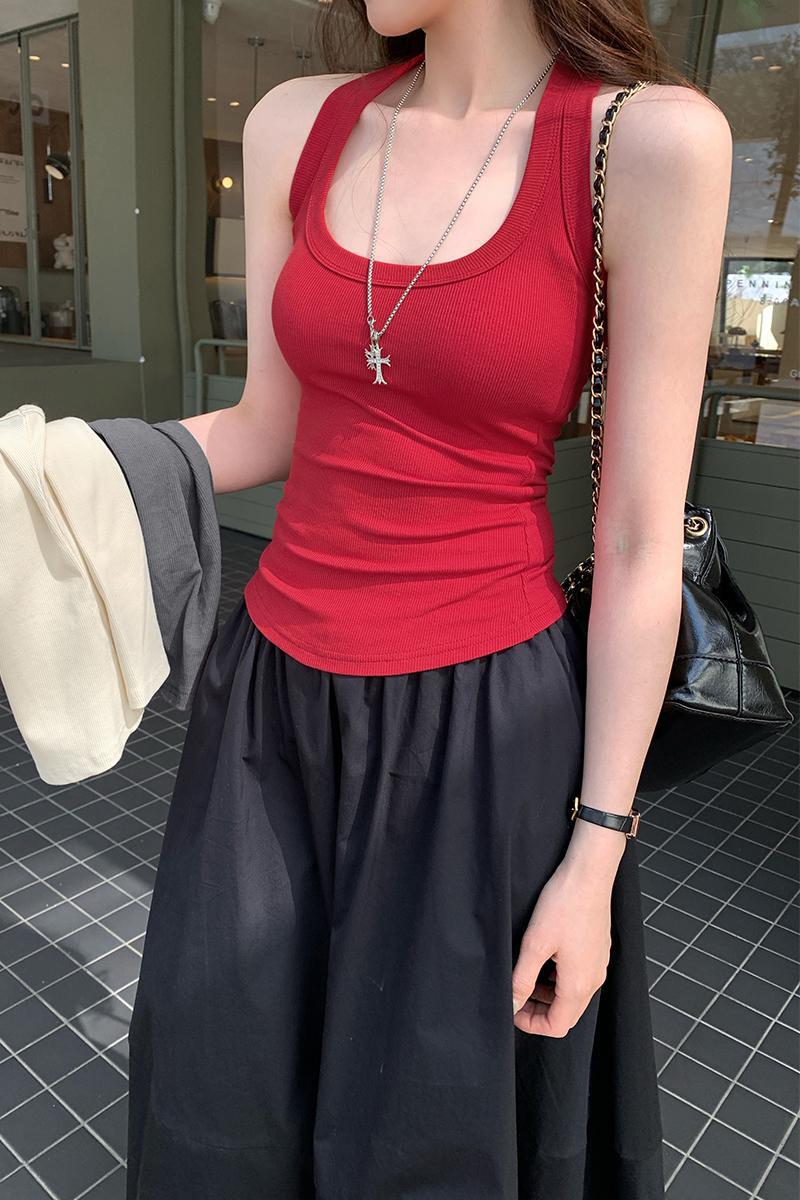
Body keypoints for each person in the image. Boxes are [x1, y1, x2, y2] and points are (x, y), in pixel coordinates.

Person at [125, 1, 733, 1197]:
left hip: (483, 735)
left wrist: (593, 858)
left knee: (430, 1125)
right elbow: (264, 427)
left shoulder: (646, 143)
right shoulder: (296, 123)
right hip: (269, 710)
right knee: (225, 1082)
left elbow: (632, 539)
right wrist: (63, 467)